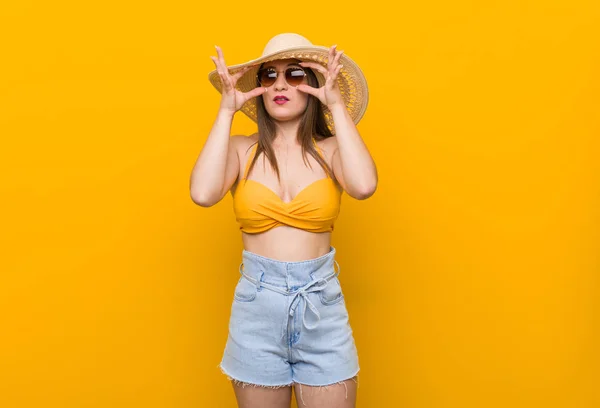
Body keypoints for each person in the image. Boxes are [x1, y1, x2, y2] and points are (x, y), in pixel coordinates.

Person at [190, 33, 377, 408]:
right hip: (257, 307)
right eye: (268, 75)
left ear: (312, 85)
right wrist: (225, 111)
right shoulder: (243, 149)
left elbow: (363, 185)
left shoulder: (331, 150)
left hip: (320, 306)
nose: (279, 84)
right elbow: (203, 193)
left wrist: (336, 106)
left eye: (294, 73)